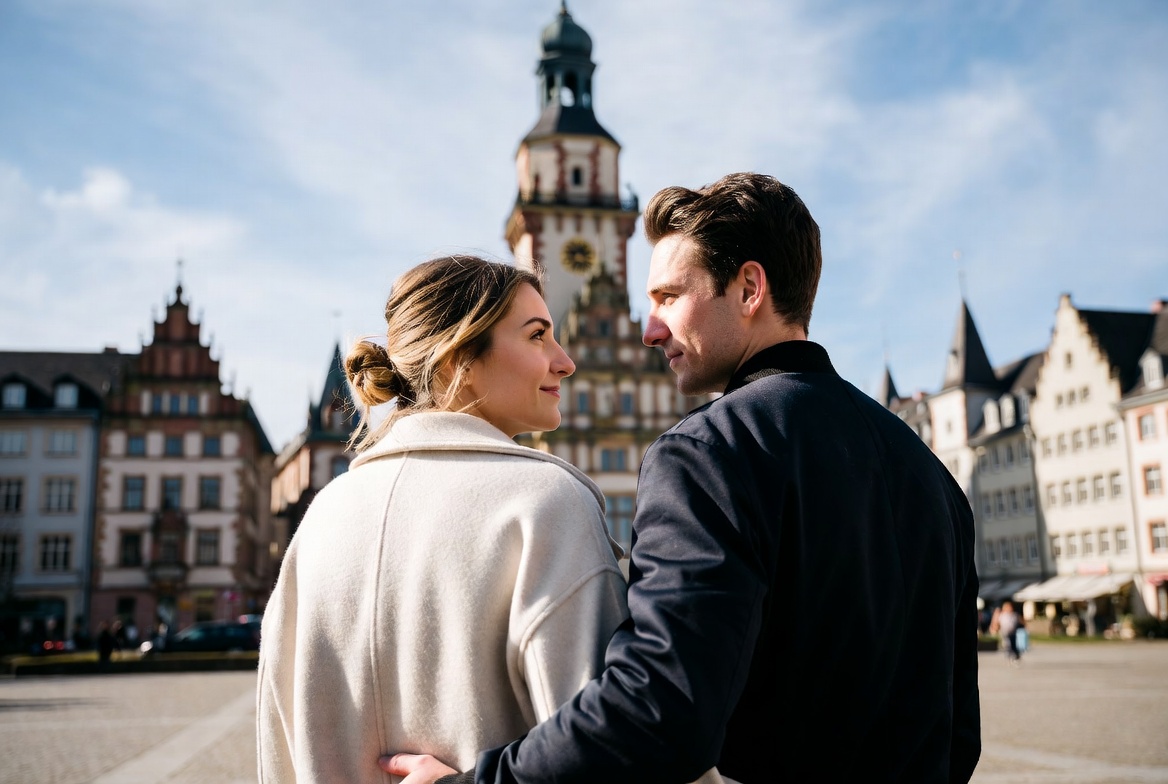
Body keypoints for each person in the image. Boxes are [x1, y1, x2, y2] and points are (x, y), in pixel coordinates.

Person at [384, 173, 982, 783]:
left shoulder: (712, 452)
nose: (650, 330)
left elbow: (660, 710)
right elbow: (960, 734)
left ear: (749, 288)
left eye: (669, 297)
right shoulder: (930, 473)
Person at [256, 255, 631, 783]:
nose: (565, 362)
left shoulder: (321, 519)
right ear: (458, 361)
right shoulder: (548, 504)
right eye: (537, 336)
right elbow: (607, 754)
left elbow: (277, 750)